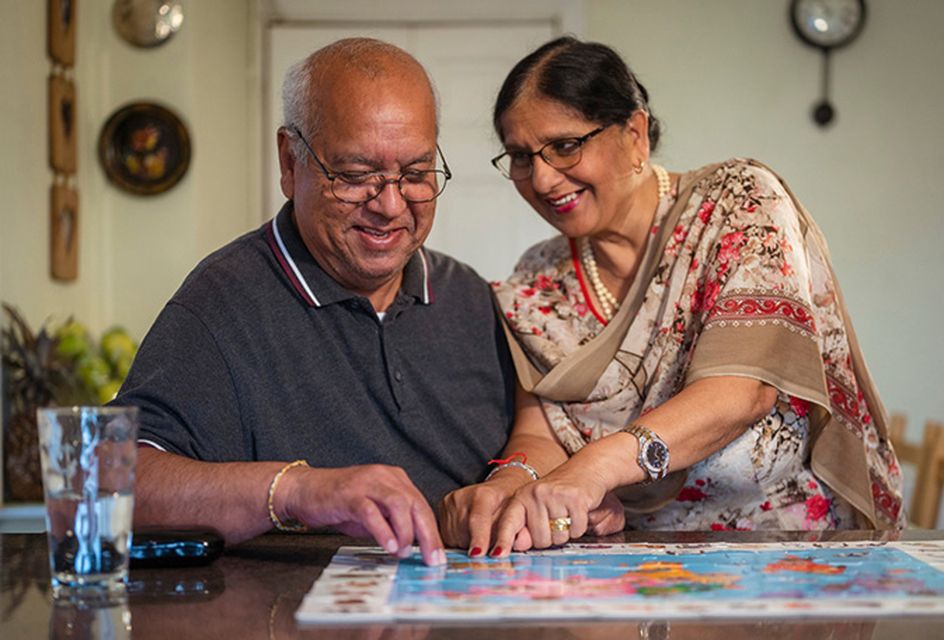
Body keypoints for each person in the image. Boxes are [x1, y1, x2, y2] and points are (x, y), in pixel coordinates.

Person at [440, 37, 904, 557]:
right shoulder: (536, 282)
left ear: (634, 134)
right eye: (522, 157)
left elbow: (740, 393)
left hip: (789, 560)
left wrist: (591, 470)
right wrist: (509, 489)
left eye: (565, 146)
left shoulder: (737, 204)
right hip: (635, 573)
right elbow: (541, 434)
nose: (542, 179)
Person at [114, 38, 515, 566]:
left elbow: (533, 440)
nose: (390, 205)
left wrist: (531, 488)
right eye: (354, 176)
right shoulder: (224, 301)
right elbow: (115, 482)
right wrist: (296, 491)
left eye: (416, 175)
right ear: (289, 161)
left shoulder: (469, 297)